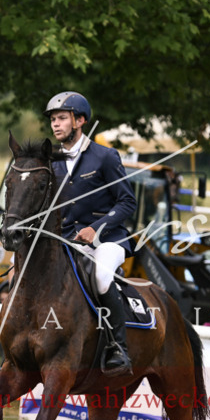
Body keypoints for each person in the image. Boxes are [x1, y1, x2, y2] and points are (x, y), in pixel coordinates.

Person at [46, 91, 137, 376]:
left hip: (109, 239)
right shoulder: (53, 161)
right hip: (68, 239)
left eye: (62, 118)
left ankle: (118, 347)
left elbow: (127, 202)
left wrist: (96, 228)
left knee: (100, 277)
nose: (55, 124)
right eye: (53, 119)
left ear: (80, 120)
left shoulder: (105, 156)